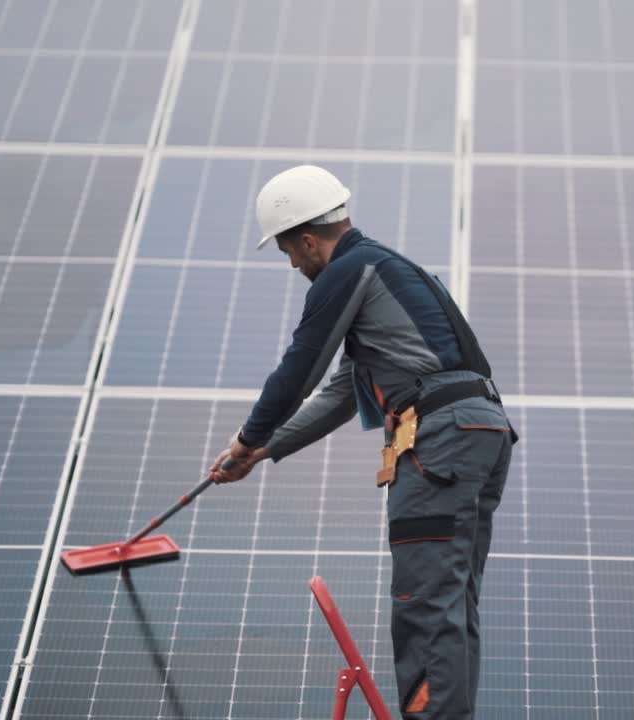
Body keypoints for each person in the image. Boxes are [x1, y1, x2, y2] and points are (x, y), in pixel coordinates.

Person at [209, 165, 516, 718]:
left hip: (438, 440)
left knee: (425, 602)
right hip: (481, 432)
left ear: (307, 239)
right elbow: (339, 393)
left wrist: (247, 433)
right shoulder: (391, 272)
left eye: (289, 253)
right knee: (451, 601)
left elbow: (298, 370)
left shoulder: (346, 270)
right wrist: (261, 449)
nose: (295, 265)